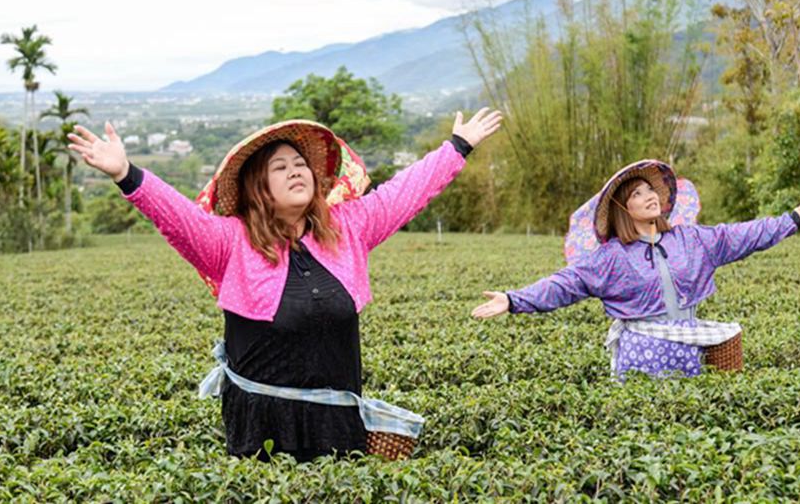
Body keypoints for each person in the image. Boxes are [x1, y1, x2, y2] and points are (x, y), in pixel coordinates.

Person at [69, 109, 501, 461]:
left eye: (301, 165)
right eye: (281, 167)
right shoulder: (230, 243)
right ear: (259, 187)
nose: (296, 172)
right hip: (263, 432)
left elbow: (403, 194)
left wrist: (456, 148)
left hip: (338, 427)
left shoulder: (348, 228)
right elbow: (178, 218)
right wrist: (126, 173)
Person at [471, 160, 800, 378]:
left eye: (650, 191)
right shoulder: (611, 257)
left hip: (689, 348)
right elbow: (566, 283)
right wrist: (514, 300)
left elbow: (739, 236)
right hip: (643, 354)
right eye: (638, 195)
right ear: (624, 210)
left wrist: (789, 221)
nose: (650, 197)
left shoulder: (690, 239)